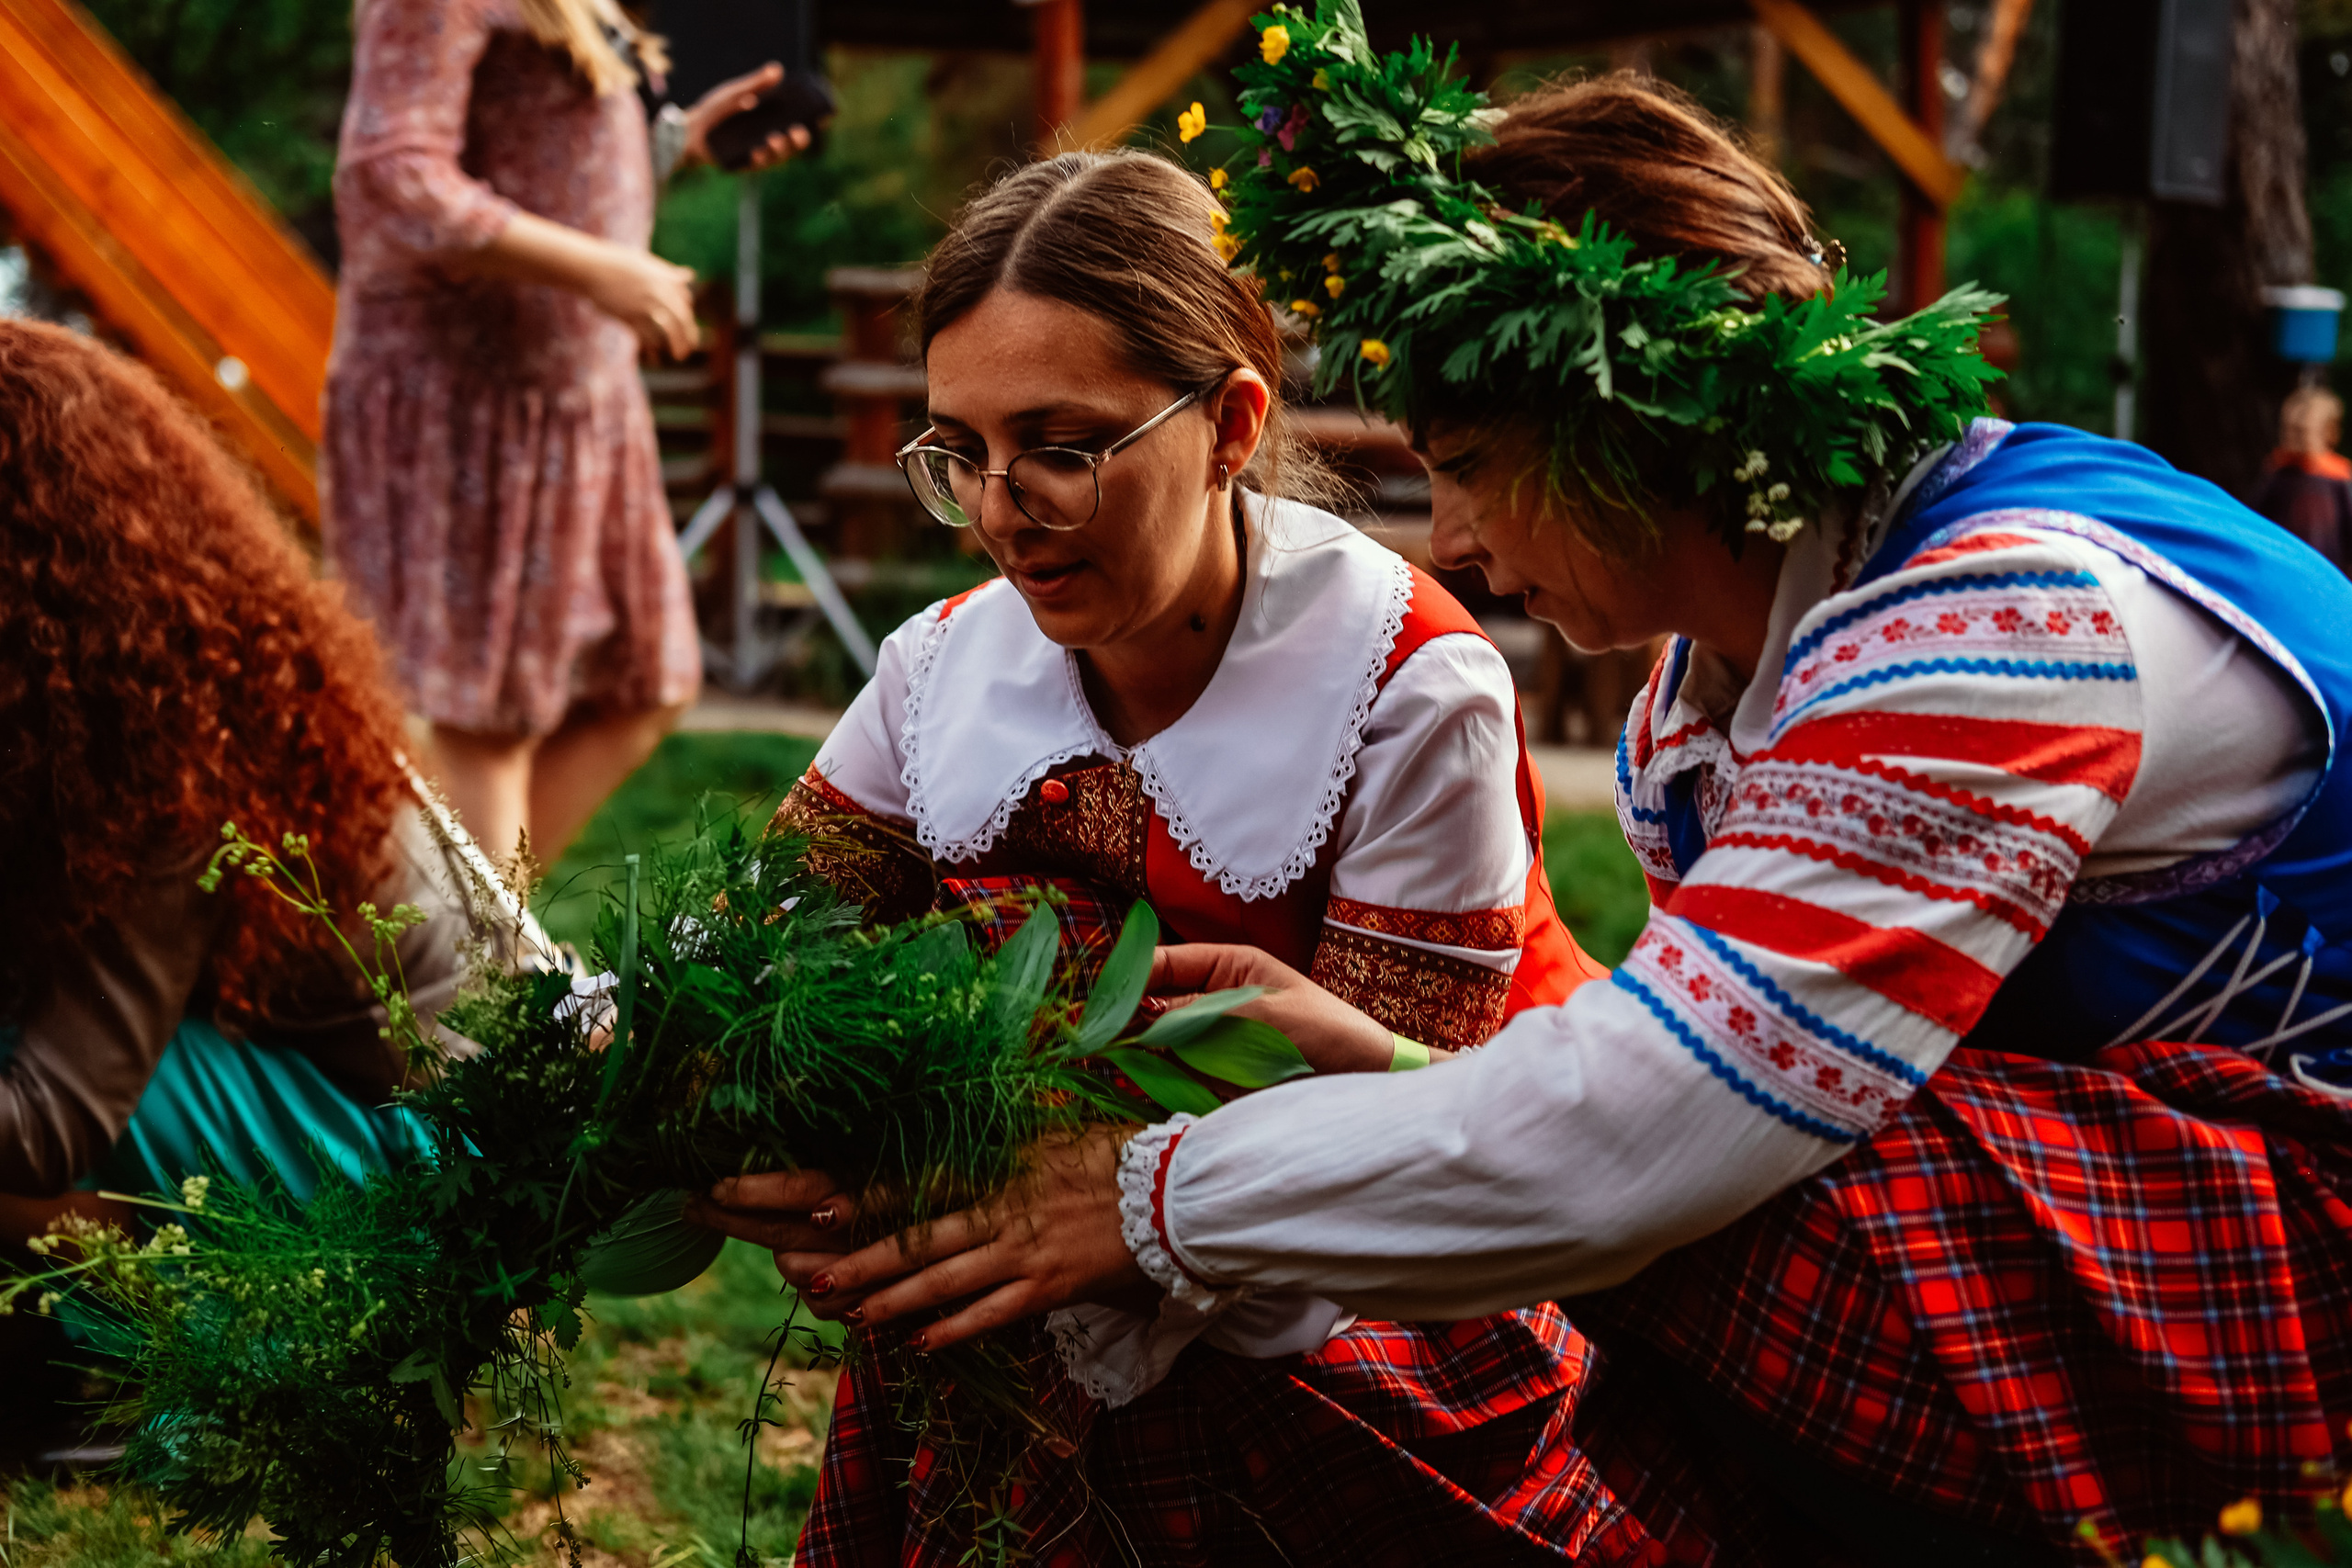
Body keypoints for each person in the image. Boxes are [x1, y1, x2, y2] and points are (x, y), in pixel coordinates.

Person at [704, 58, 2352, 1568]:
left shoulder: (1996, 629)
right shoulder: (1701, 701)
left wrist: (1134, 1196)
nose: (1466, 543)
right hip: (2137, 1193)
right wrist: (1379, 1073)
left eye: (1482, 464)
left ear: (1638, 411)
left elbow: (1656, 1139)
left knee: (1757, 1216)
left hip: (2293, 1246)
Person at [690, 149, 1625, 1566]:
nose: (1004, 509)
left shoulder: (1405, 680)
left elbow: (1386, 1144)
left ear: (1233, 422)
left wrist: (1084, 1186)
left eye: (1062, 445)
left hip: (1361, 1292)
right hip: (1017, 1267)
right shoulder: (944, 667)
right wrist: (730, 1116)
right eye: (961, 452)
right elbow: (747, 945)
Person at [0, 321, 540, 1422]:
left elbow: (49, 1123)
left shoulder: (166, 748)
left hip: (448, 1180)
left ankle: (193, 1369)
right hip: (370, 1117)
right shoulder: (99, 698)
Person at [324, 0, 802, 862]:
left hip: (583, 402)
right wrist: (603, 270)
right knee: (493, 719)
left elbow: (542, 167)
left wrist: (678, 147)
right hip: (478, 402)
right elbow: (391, 171)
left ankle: (440, 937)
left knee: (650, 680)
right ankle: (470, 969)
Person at [2249, 384, 2352, 576]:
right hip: (2282, 567)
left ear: (2330, 432)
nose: (2297, 440)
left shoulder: (2339, 479)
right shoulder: (2278, 473)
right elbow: (2256, 520)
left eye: (2303, 432)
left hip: (2328, 571)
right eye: (2291, 431)